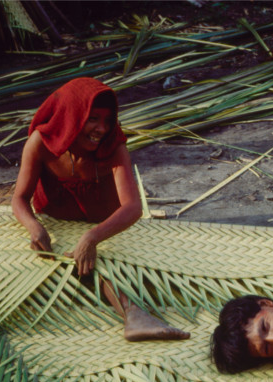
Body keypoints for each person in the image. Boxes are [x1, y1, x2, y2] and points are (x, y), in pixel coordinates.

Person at [12, 77, 189, 341]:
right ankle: (133, 316)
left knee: (103, 260)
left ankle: (134, 315)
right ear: (72, 116)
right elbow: (19, 198)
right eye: (93, 119)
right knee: (56, 261)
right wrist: (34, 227)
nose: (101, 129)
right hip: (56, 224)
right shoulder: (41, 142)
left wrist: (92, 237)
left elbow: (132, 207)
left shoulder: (113, 146)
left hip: (105, 225)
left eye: (107, 121)